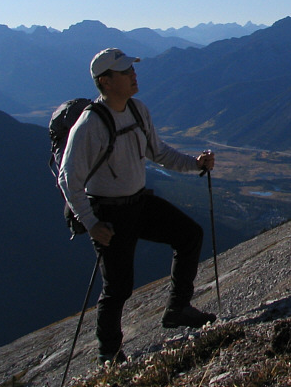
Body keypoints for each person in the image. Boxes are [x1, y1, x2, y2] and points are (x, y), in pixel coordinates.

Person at [58, 48, 217, 365]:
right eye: (125, 71)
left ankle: (177, 308)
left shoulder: (137, 110)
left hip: (138, 202)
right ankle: (109, 353)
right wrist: (91, 223)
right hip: (108, 214)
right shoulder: (89, 125)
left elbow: (158, 152)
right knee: (117, 287)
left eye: (131, 69)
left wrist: (196, 164)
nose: (133, 74)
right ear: (105, 81)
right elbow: (67, 179)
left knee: (189, 235)